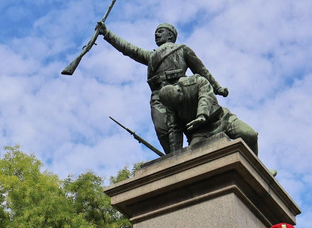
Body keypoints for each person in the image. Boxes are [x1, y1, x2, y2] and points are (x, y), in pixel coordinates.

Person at [96, 21, 228, 154]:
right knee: (162, 129)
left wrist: (217, 88)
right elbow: (128, 49)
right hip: (158, 96)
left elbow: (201, 70)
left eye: (160, 31)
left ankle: (189, 158)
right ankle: (175, 159)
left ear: (170, 35)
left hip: (179, 91)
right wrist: (107, 34)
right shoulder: (151, 56)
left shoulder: (182, 49)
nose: (156, 34)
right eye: (156, 33)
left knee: (182, 128)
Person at [158, 75, 259, 155]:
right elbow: (175, 130)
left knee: (250, 135)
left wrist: (202, 115)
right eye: (176, 106)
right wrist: (175, 157)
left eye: (179, 103)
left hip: (222, 119)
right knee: (193, 156)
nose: (179, 106)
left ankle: (257, 168)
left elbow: (205, 97)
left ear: (179, 90)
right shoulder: (171, 108)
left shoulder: (197, 81)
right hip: (200, 132)